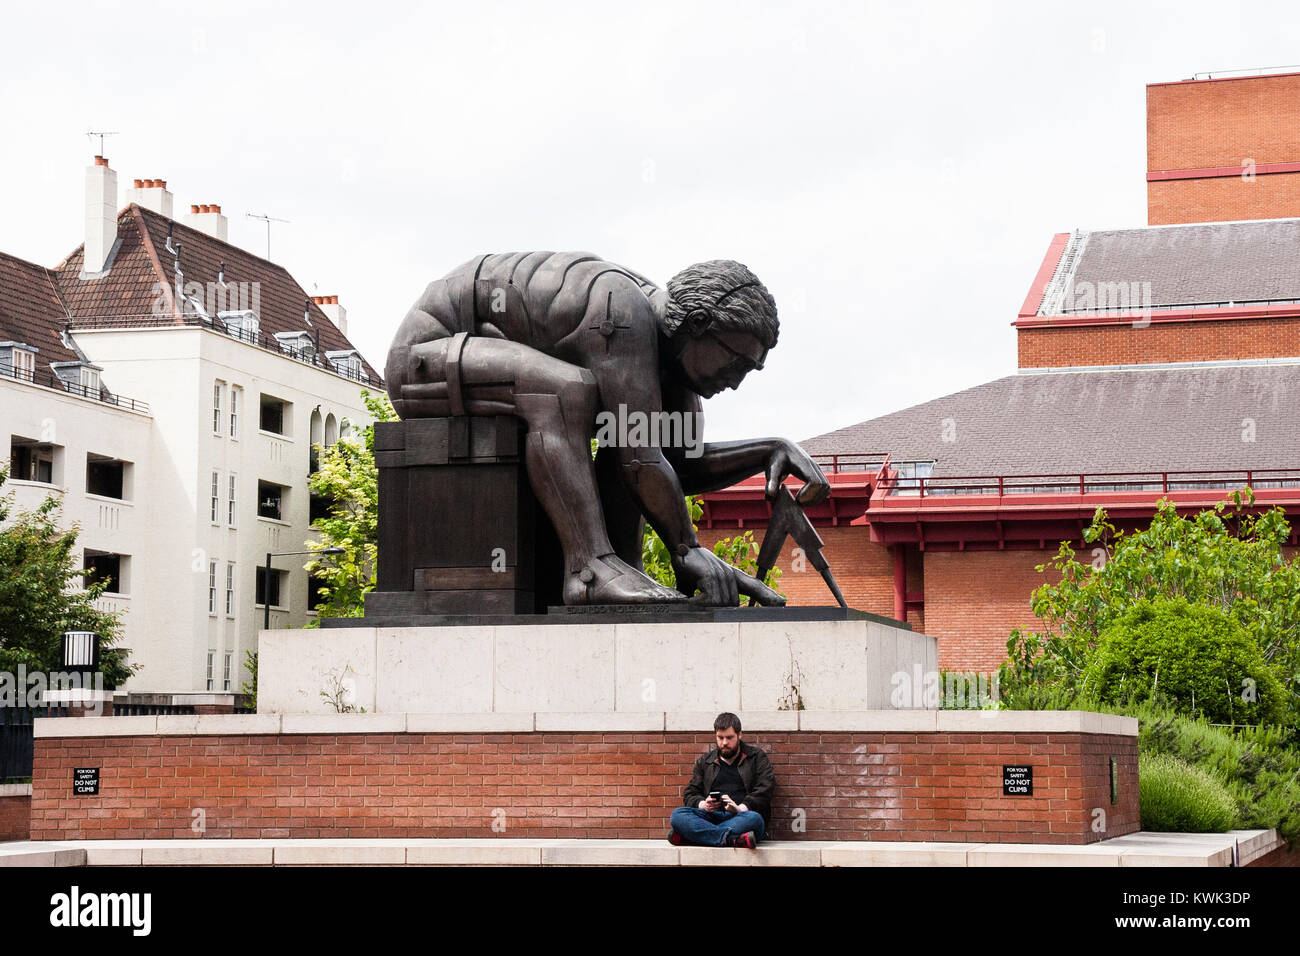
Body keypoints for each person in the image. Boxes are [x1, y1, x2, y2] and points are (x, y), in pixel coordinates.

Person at [385, 252, 829, 607]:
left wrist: (768, 450)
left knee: (625, 428)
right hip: (424, 360)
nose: (735, 380)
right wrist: (688, 549)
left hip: (473, 359)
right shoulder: (625, 312)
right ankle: (590, 570)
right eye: (735, 362)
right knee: (566, 393)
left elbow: (678, 466)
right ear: (697, 326)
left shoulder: (669, 354)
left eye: (748, 371)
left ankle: (621, 568)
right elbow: (641, 458)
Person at [669, 712, 774, 849]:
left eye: (729, 737)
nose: (724, 743)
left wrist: (740, 808)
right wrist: (703, 805)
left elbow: (765, 789)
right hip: (710, 816)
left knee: (755, 819)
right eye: (720, 737)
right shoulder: (705, 762)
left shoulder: (756, 757)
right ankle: (731, 840)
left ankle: (698, 836)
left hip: (741, 817)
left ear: (739, 735)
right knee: (677, 815)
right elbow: (690, 792)